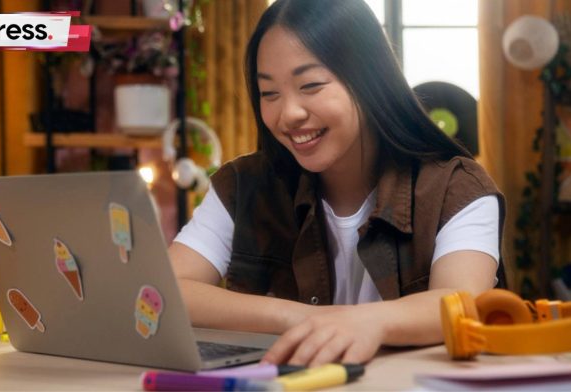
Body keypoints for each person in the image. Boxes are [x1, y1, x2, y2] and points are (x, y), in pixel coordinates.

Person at [168, 0, 505, 367]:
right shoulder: (242, 186)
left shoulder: (456, 189)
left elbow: (461, 302)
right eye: (269, 94)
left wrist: (367, 323)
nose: (289, 114)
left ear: (369, 82)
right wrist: (303, 319)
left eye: (310, 85)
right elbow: (166, 292)